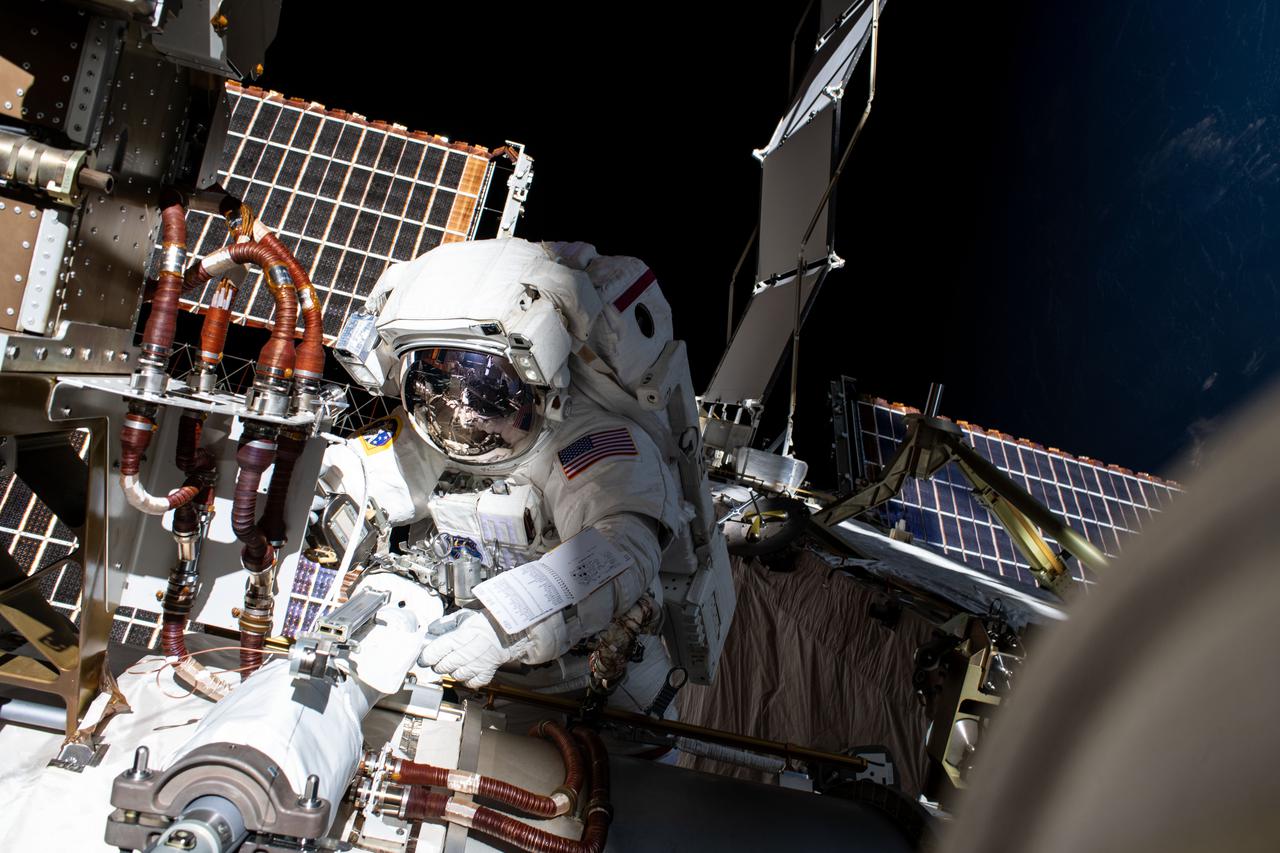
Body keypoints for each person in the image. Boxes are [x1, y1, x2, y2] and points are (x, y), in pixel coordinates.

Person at [321, 237, 700, 713]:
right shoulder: (437, 424)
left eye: (483, 388)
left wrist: (506, 627)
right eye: (435, 380)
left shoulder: (588, 439)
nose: (460, 409)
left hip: (591, 684)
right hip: (462, 666)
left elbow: (622, 548)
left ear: (536, 377)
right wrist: (324, 492)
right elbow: (367, 476)